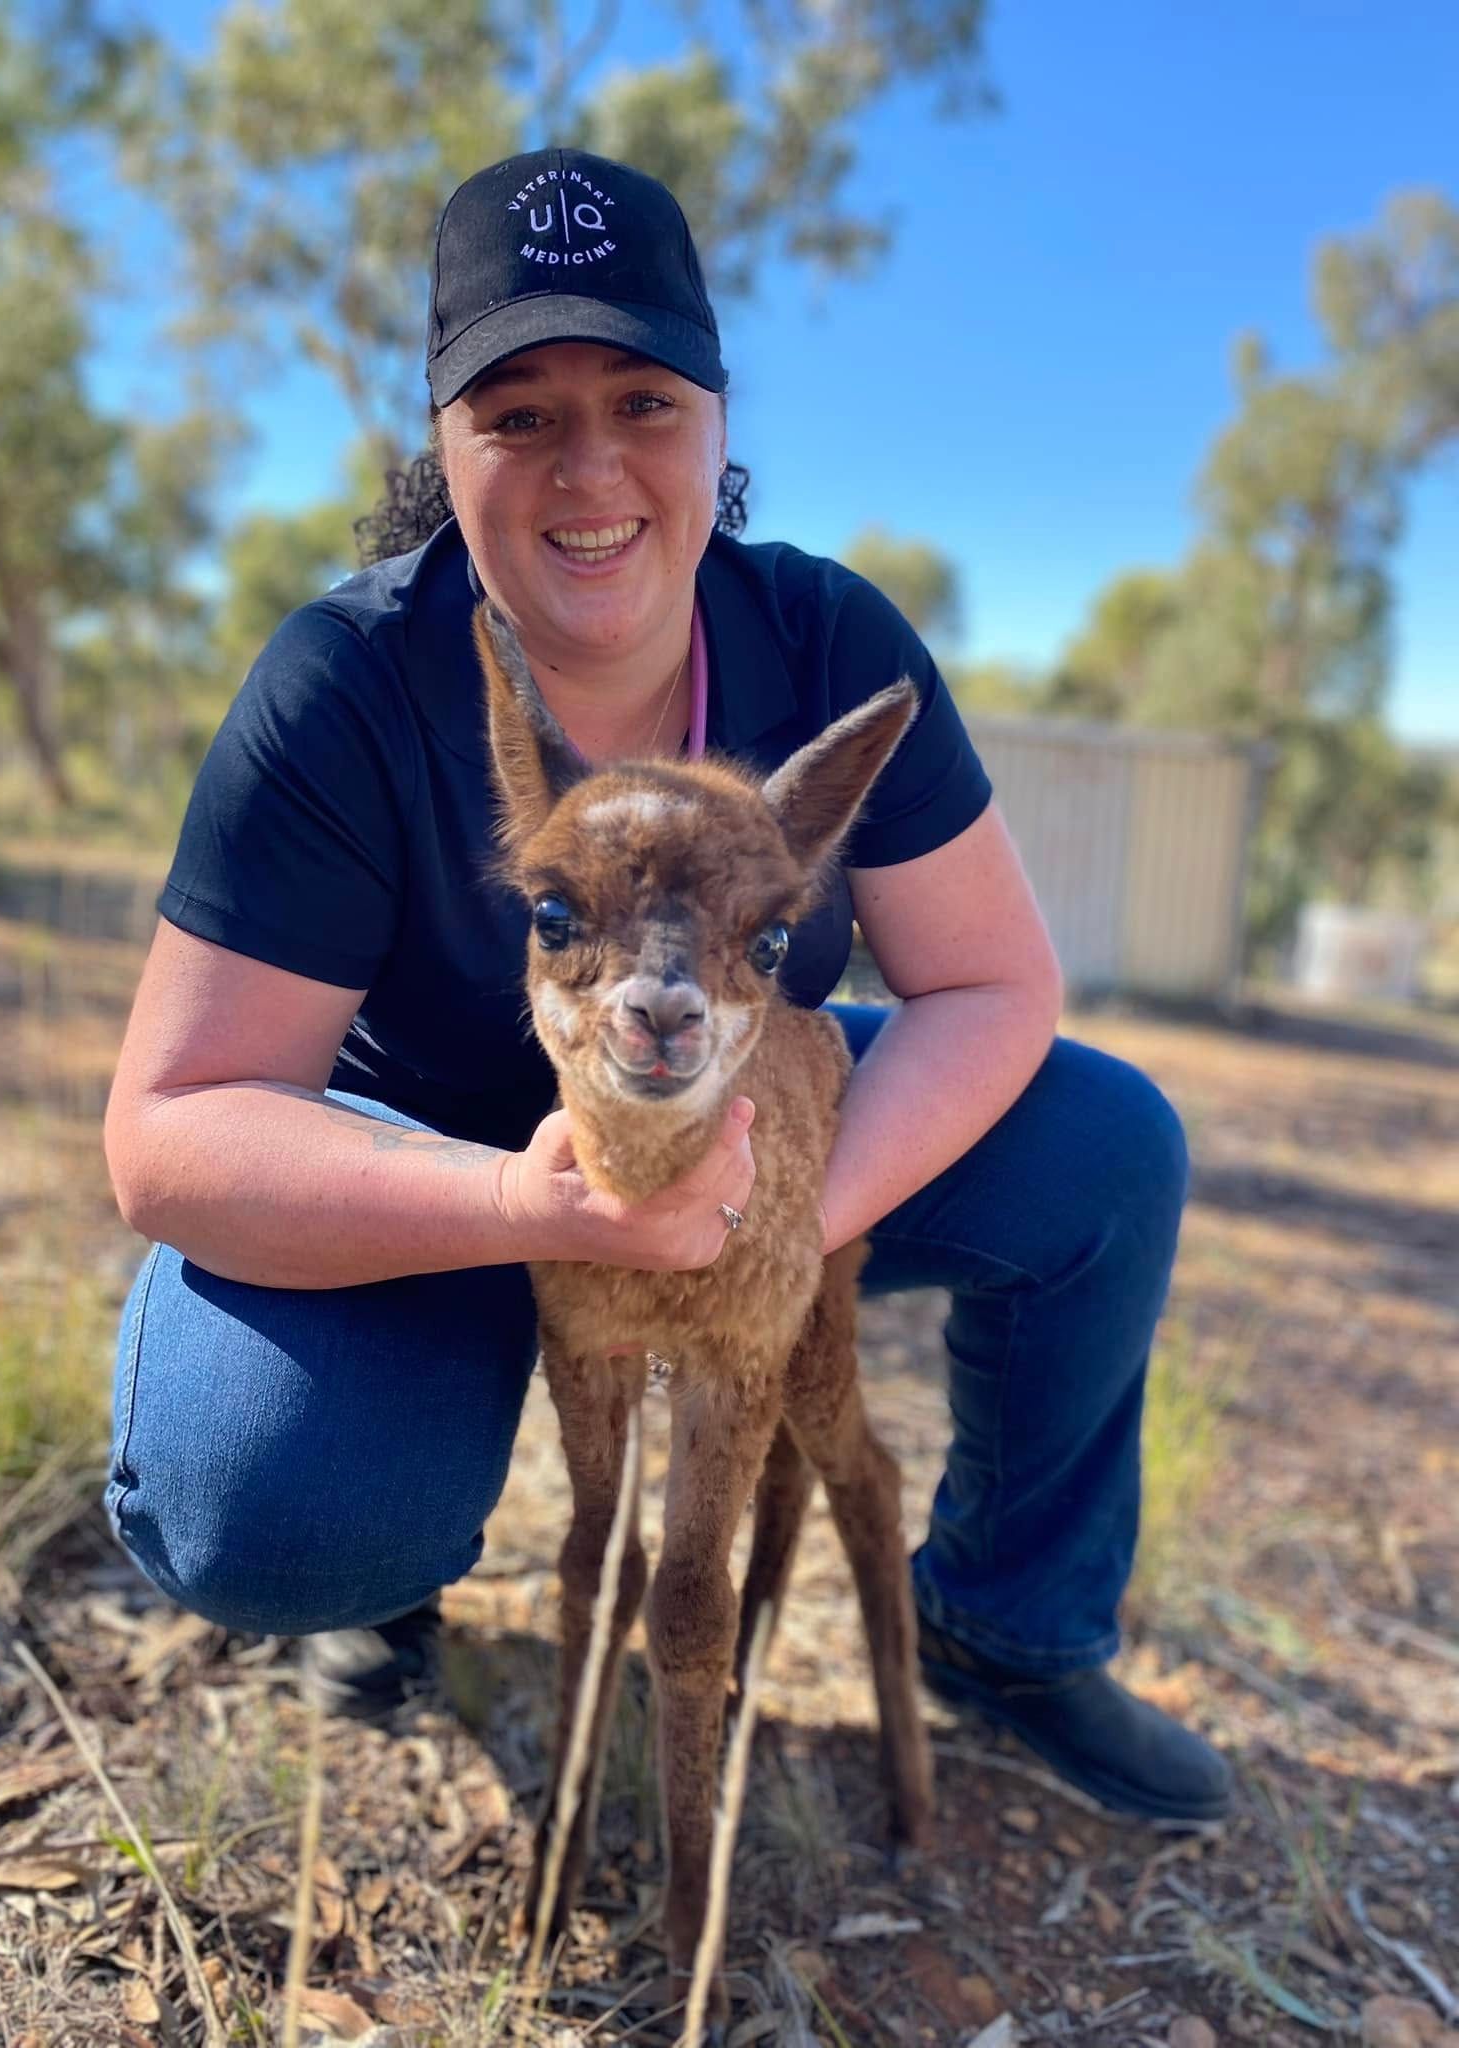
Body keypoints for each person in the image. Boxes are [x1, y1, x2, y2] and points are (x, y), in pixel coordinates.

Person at [102, 147, 1231, 1824]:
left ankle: (1011, 1626)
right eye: (520, 414)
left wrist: (757, 1226)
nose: (591, 469)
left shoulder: (827, 642)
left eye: (642, 399)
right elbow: (172, 1130)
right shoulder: (344, 686)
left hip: (735, 1123)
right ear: (444, 443)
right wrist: (531, 1209)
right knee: (262, 1499)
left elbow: (993, 987)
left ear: (716, 420)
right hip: (441, 1165)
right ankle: (379, 1575)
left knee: (1106, 1147)